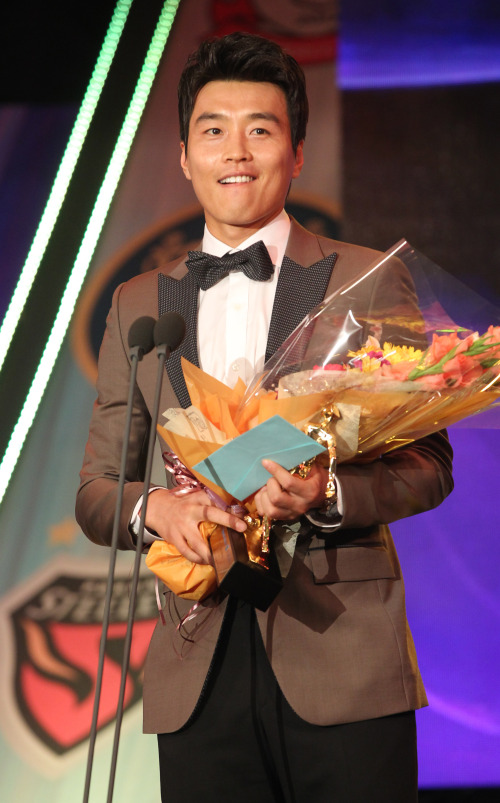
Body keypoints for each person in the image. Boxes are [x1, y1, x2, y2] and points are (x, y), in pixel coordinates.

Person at [76, 32, 453, 803]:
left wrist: (328, 494)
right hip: (198, 659)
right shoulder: (138, 303)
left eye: (261, 128)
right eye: (213, 130)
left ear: (297, 151)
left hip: (342, 655)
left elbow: (430, 465)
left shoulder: (368, 279)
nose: (236, 152)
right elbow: (96, 489)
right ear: (184, 155)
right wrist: (159, 506)